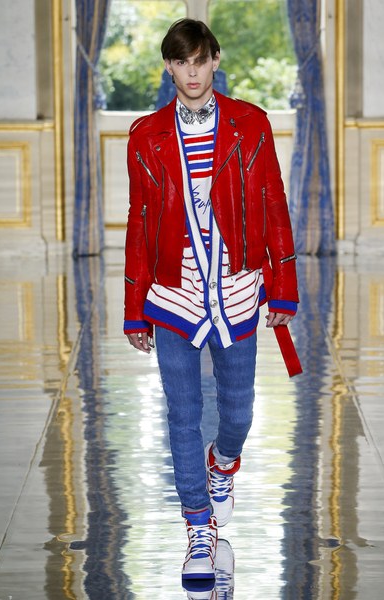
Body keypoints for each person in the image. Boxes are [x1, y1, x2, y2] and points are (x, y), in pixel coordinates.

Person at [124, 18, 301, 583]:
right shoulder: (147, 135)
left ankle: (223, 464)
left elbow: (273, 202)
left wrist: (284, 287)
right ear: (169, 67)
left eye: (200, 60)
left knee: (239, 410)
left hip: (236, 288)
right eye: (181, 62)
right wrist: (134, 308)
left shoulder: (250, 125)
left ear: (215, 60)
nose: (192, 72)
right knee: (181, 414)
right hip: (173, 292)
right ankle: (199, 527)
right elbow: (139, 221)